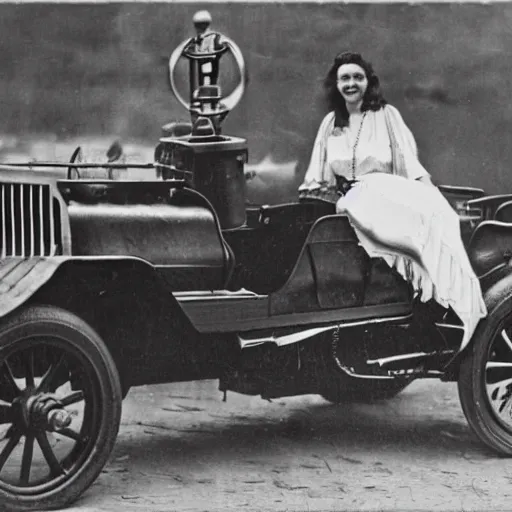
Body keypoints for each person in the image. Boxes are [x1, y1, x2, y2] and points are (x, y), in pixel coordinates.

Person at [299, 51, 487, 349]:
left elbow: (409, 164)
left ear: (367, 82)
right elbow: (318, 180)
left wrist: (434, 197)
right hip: (352, 202)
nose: (351, 84)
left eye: (357, 77)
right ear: (336, 85)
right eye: (345, 78)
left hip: (387, 193)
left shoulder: (386, 115)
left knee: (437, 222)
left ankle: (460, 306)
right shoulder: (329, 125)